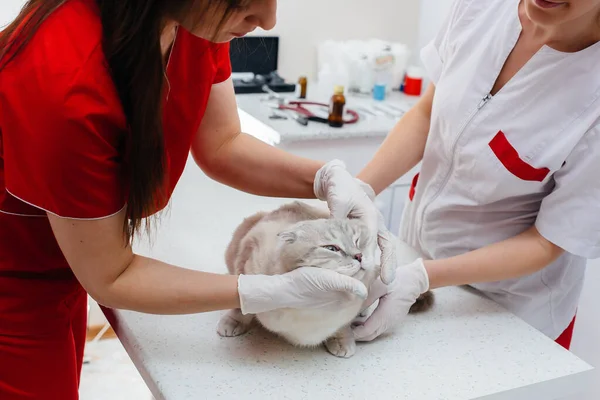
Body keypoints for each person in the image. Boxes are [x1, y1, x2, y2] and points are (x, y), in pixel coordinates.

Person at [0, 1, 388, 398]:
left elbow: (222, 144)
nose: (267, 22)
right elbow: (111, 275)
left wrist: (327, 179)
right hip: (13, 281)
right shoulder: (66, 84)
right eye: (243, 0)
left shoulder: (191, 17)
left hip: (67, 259)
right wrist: (266, 290)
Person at [352, 0, 600, 350]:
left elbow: (548, 241)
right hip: (414, 259)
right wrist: (360, 190)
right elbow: (426, 114)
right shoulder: (480, 6)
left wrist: (422, 278)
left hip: (507, 314)